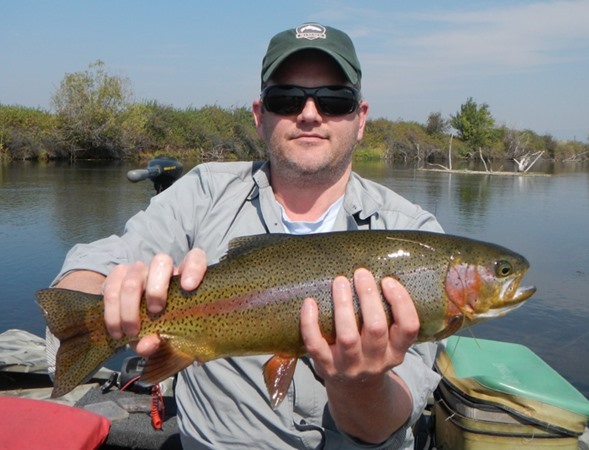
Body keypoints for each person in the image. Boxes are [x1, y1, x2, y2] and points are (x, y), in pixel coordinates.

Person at [50, 23, 443, 449]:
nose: (310, 114)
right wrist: (100, 297)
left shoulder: (416, 240)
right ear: (260, 116)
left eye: (334, 100)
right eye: (286, 99)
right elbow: (103, 259)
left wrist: (361, 385)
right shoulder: (203, 193)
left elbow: (381, 424)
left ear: (361, 118)